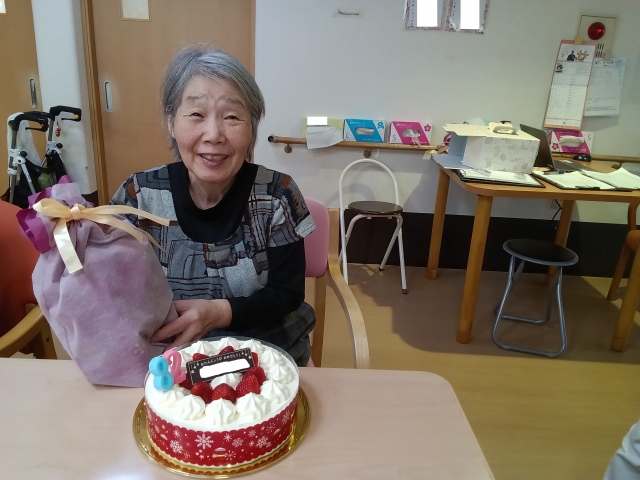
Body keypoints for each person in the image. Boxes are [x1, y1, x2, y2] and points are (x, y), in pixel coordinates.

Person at [110, 45, 316, 366]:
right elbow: (115, 289)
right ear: (170, 122)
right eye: (196, 114)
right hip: (169, 360)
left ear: (252, 127)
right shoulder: (140, 196)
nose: (214, 134)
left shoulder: (277, 195)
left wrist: (218, 312)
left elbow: (287, 294)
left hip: (263, 357)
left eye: (232, 117)